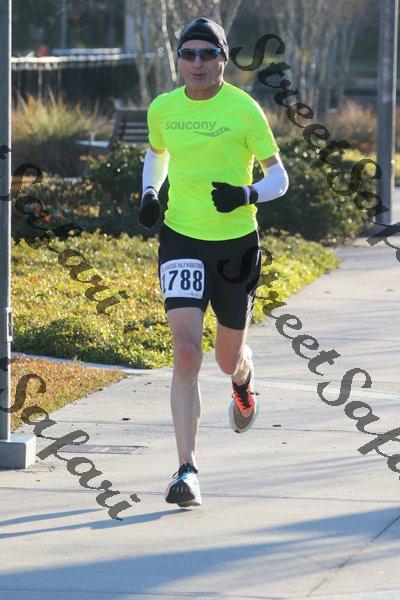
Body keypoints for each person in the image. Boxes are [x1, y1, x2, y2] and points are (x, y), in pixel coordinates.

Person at [138, 17, 289, 508]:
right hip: (181, 239)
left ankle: (243, 379)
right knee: (185, 352)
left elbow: (279, 178)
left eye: (208, 54)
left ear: (223, 59)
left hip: (236, 246)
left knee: (226, 359)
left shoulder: (244, 110)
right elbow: (157, 153)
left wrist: (246, 194)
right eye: (189, 54)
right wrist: (150, 192)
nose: (197, 63)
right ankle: (186, 469)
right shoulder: (163, 107)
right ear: (179, 60)